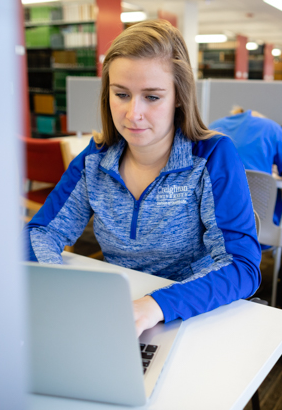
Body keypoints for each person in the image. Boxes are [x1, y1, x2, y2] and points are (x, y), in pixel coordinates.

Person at [24, 20, 261, 337]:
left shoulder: (213, 156)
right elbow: (39, 232)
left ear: (178, 96)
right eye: (121, 94)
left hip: (190, 312)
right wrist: (60, 288)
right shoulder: (95, 158)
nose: (133, 114)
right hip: (117, 311)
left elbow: (241, 266)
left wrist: (154, 305)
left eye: (152, 97)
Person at [210, 108, 282, 227]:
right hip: (259, 225)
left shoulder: (212, 127)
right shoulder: (270, 127)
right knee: (271, 194)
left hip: (215, 221)